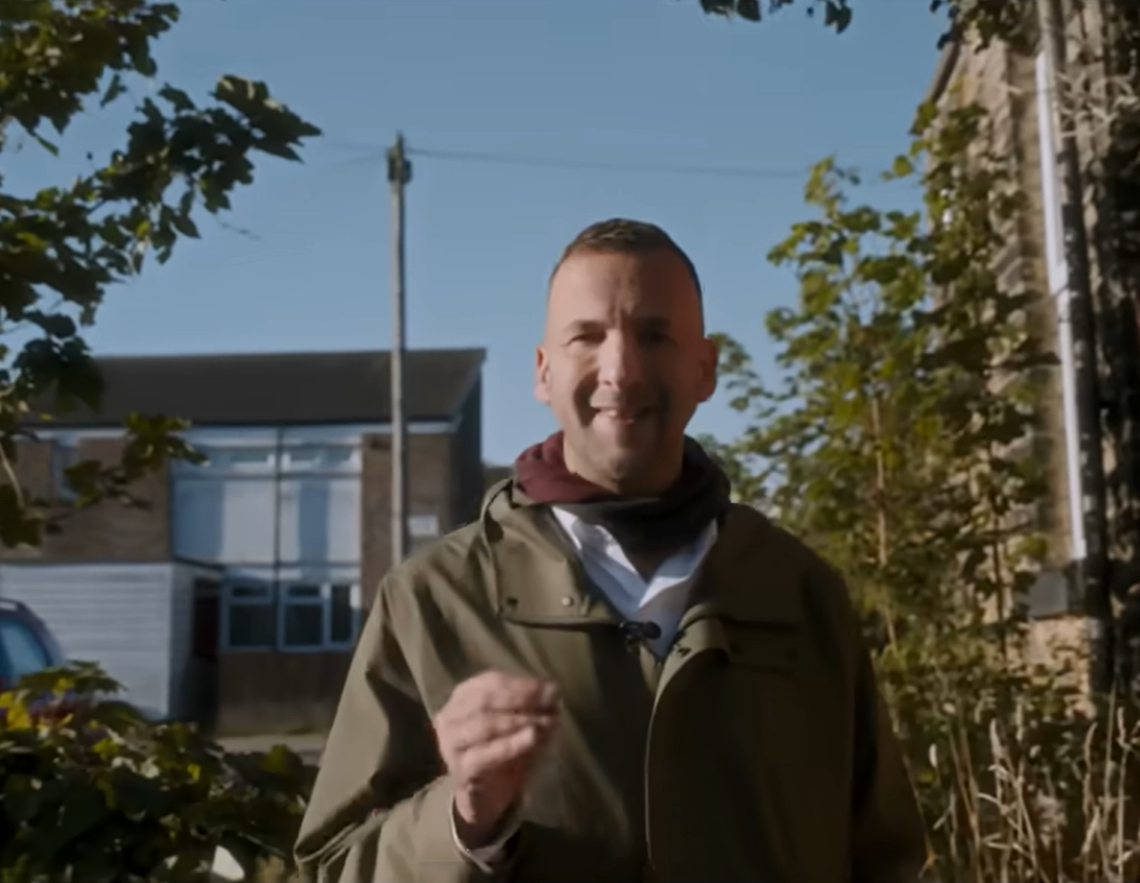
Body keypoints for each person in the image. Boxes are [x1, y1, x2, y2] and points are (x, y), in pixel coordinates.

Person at [295, 219, 926, 882]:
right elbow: (332, 866)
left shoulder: (798, 592)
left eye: (654, 334)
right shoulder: (433, 600)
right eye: (586, 336)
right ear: (542, 371)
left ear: (704, 368)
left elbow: (884, 856)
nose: (620, 370)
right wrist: (463, 818)